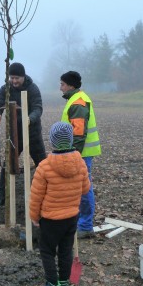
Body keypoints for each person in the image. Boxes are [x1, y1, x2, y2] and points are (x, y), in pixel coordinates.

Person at [30, 122, 90, 286]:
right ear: (71, 140)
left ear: (53, 143)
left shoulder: (44, 166)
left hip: (50, 219)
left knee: (47, 252)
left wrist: (34, 217)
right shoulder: (80, 162)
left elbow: (36, 196)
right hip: (72, 217)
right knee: (65, 251)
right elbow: (85, 189)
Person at [0, 62, 47, 206]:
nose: (14, 81)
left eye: (17, 78)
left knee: (43, 164)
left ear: (23, 76)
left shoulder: (32, 89)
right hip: (13, 135)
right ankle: (1, 194)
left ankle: (49, 193)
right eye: (12, 78)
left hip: (32, 133)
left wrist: (29, 119)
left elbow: (38, 108)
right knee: (7, 163)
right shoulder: (6, 89)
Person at [59, 71, 101, 238]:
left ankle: (85, 226)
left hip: (81, 153)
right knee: (81, 187)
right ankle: (82, 222)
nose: (60, 87)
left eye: (62, 84)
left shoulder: (78, 103)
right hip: (80, 152)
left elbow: (78, 133)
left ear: (71, 86)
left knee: (84, 188)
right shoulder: (76, 99)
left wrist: (73, 155)